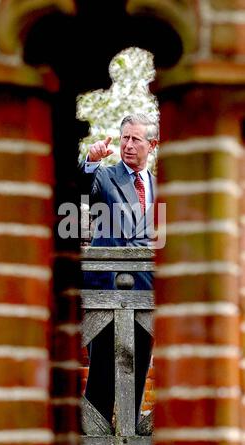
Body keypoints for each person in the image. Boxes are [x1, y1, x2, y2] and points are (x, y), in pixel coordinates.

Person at [80, 113, 158, 428]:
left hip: (148, 296)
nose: (127, 145)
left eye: (135, 139)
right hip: (107, 293)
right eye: (124, 137)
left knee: (137, 379)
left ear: (151, 144)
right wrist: (90, 160)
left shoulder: (162, 185)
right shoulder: (107, 177)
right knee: (100, 381)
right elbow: (84, 189)